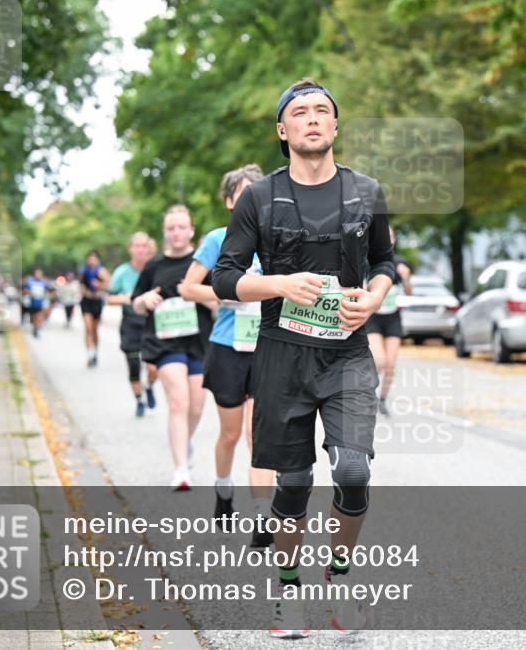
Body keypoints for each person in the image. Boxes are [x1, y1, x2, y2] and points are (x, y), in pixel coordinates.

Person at [211, 79, 395, 637]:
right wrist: (278, 284)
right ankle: (288, 593)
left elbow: (386, 260)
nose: (312, 119)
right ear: (282, 131)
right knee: (292, 483)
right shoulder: (258, 198)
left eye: (322, 111)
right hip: (282, 358)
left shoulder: (366, 192)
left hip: (347, 355)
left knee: (354, 471)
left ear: (335, 127)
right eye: (300, 112)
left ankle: (339, 579)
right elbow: (224, 277)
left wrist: (376, 297)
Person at [179, 163, 276, 547]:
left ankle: (262, 518)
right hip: (227, 348)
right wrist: (227, 292)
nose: (250, 198)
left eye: (257, 191)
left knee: (258, 435)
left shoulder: (276, 239)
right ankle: (223, 490)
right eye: (242, 192)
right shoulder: (218, 238)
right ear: (229, 201)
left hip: (268, 346)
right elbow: (188, 288)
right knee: (231, 434)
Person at [132, 205, 213, 490]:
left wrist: (197, 296)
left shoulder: (203, 263)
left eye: (182, 227)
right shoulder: (154, 266)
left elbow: (219, 304)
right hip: (165, 342)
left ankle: (185, 442)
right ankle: (180, 469)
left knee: (196, 404)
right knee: (178, 401)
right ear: (164, 232)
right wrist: (146, 301)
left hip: (200, 343)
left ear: (191, 230)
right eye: (171, 228)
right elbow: (136, 303)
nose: (176, 233)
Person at [108, 232, 158, 418]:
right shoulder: (122, 271)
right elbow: (110, 298)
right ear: (130, 249)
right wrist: (130, 297)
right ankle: (139, 400)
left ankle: (150, 386)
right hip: (130, 322)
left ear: (149, 248)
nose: (140, 250)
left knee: (154, 367)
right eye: (136, 246)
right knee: (134, 365)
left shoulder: (155, 268)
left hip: (151, 321)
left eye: (143, 246)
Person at [366, 226, 413, 417]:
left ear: (393, 240)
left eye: (391, 236)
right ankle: (366, 391)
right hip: (373, 317)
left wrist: (407, 278)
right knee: (380, 360)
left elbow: (409, 291)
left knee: (391, 363)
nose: (388, 239)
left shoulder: (400, 262)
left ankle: (383, 399)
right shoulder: (366, 260)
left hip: (393, 318)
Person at [79, 250, 110, 367]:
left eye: (94, 258)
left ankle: (95, 351)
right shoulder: (84, 271)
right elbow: (81, 286)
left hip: (97, 302)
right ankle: (89, 354)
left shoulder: (101, 271)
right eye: (90, 258)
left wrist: (100, 286)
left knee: (94, 330)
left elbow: (109, 284)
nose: (92, 260)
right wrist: (86, 292)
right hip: (86, 301)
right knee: (88, 328)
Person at [22, 268, 51, 338]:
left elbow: (47, 291)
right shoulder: (30, 282)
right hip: (31, 303)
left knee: (39, 316)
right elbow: (25, 291)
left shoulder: (44, 282)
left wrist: (45, 295)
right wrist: (30, 293)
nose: (38, 275)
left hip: (40, 303)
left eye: (40, 274)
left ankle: (36, 329)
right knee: (32, 317)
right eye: (37, 273)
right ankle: (34, 326)